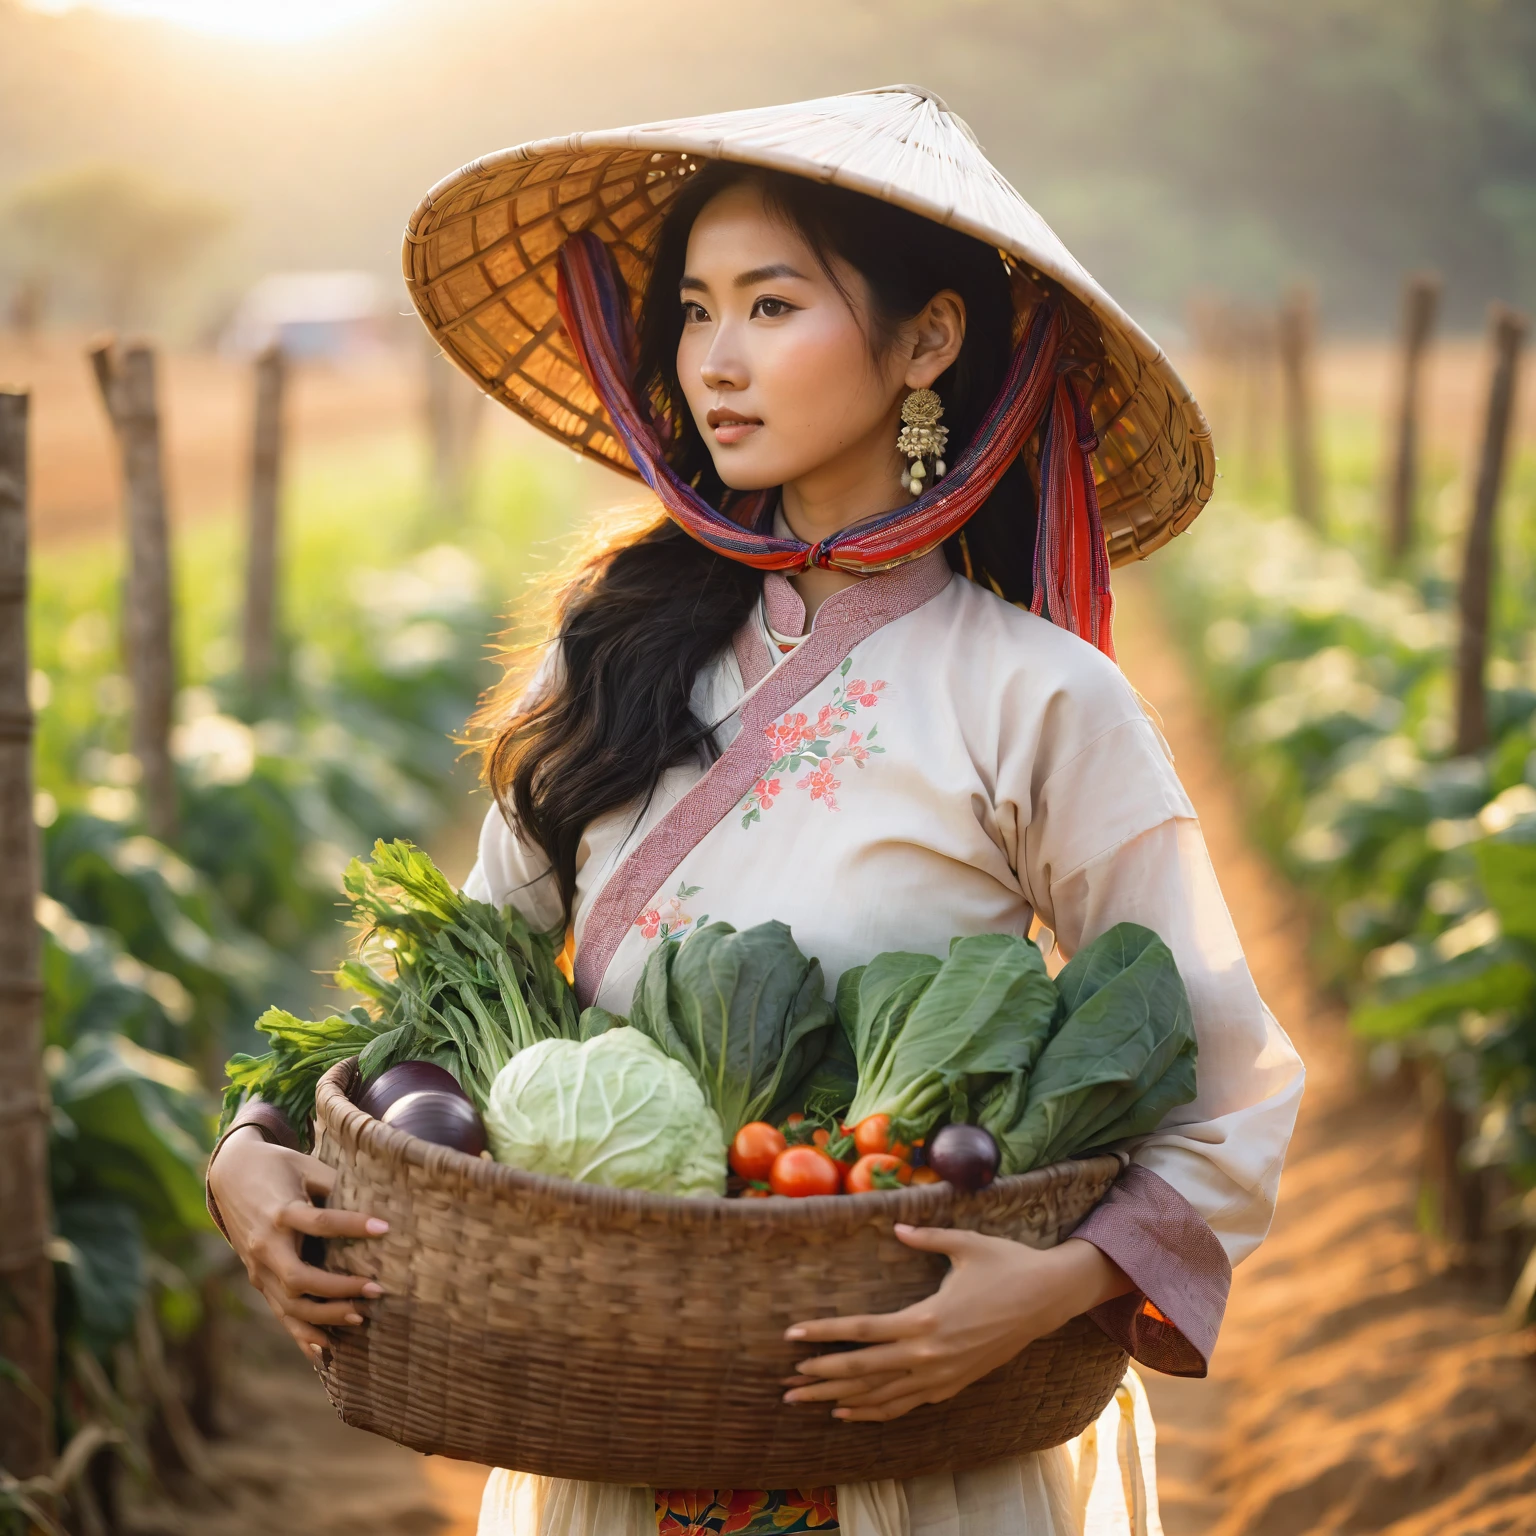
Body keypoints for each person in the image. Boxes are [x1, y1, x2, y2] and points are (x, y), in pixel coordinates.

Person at [207, 86, 1304, 1536]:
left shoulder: (1041, 697)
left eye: (772, 308)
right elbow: (444, 991)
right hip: (614, 1411)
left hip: (918, 1433)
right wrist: (254, 1152)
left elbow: (1226, 1080)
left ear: (927, 342)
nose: (716, 363)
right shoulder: (610, 649)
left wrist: (1049, 1289)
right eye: (696, 313)